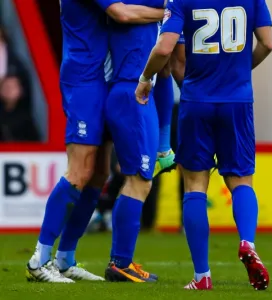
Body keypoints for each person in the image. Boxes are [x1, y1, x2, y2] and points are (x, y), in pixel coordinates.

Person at [136, 0, 272, 291]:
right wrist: (240, 70)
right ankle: (247, 243)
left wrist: (146, 78)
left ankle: (202, 276)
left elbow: (164, 49)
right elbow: (268, 43)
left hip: (196, 100)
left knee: (195, 186)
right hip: (237, 101)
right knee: (241, 182)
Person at [26, 0, 165, 283]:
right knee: (79, 170)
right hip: (84, 79)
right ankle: (39, 259)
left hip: (103, 79)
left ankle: (65, 258)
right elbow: (121, 13)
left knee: (98, 173)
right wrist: (171, 12)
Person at [104, 0, 168, 283]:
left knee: (142, 179)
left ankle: (122, 260)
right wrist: (167, 14)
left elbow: (165, 70)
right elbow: (123, 13)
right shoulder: (129, 8)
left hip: (142, 91)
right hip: (132, 90)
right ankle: (120, 263)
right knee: (139, 180)